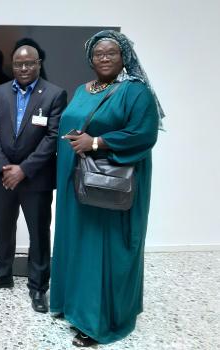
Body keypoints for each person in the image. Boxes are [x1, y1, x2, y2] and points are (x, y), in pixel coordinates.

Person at [50, 30, 163, 347]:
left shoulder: (135, 92)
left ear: (124, 56)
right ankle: (72, 305)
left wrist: (97, 142)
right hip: (77, 183)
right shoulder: (81, 89)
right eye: (98, 53)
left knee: (104, 250)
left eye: (111, 52)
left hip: (111, 188)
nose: (103, 57)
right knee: (78, 243)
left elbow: (144, 133)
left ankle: (99, 321)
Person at [0, 44, 67, 315]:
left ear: (39, 64)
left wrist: (23, 169)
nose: (24, 68)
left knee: (39, 232)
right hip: (4, 175)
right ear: (12, 66)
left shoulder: (54, 94)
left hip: (35, 178)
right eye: (18, 64)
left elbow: (53, 137)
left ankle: (39, 286)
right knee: (3, 227)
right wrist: (5, 166)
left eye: (30, 63)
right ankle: (2, 273)